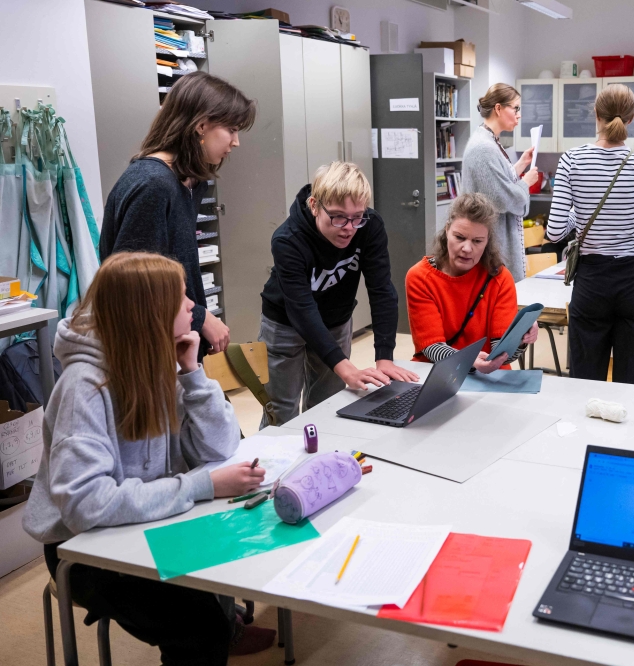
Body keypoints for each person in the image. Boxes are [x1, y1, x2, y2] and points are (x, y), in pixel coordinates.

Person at [22, 252, 275, 664]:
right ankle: (218, 626)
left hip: (145, 522)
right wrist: (201, 485)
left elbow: (220, 447)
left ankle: (222, 621)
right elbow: (86, 506)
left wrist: (193, 374)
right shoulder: (84, 387)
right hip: (83, 550)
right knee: (201, 628)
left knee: (246, 548)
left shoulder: (156, 360)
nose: (192, 306)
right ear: (148, 313)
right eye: (181, 298)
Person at [99, 72, 255, 359]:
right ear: (201, 125)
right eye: (232, 129)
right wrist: (200, 317)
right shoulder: (153, 185)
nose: (236, 142)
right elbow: (135, 284)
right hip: (148, 351)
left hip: (177, 341)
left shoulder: (189, 182)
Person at [260, 162, 418, 427]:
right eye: (338, 217)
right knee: (281, 410)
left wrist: (384, 356)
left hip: (335, 319)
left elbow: (381, 290)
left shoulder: (370, 227)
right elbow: (301, 309)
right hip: (285, 323)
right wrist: (347, 369)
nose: (349, 227)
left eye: (357, 216)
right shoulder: (288, 239)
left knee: (327, 403)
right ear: (314, 205)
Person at [546, 84, 634, 385]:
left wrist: (581, 214)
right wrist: (632, 214)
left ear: (596, 114)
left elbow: (555, 231)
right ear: (632, 118)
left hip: (592, 283)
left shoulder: (571, 160)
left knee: (585, 383)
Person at [406, 193, 538, 373]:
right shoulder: (420, 277)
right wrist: (469, 360)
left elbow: (502, 352)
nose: (467, 248)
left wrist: (520, 339)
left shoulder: (499, 278)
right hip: (439, 372)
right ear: (447, 230)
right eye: (460, 237)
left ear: (487, 241)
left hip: (489, 375)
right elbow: (432, 347)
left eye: (477, 241)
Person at [462, 83, 540, 282]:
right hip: (490, 246)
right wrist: (526, 183)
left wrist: (521, 164)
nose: (519, 115)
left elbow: (496, 182)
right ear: (498, 108)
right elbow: (504, 198)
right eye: (516, 108)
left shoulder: (489, 141)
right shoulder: (483, 148)